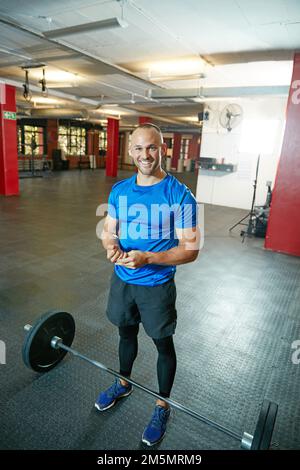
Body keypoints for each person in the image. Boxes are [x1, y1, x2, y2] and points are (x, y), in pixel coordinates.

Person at [95, 123, 200, 446]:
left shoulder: (180, 196)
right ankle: (123, 382)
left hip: (156, 286)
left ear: (163, 148)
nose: (145, 155)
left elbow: (191, 250)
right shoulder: (120, 190)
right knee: (125, 333)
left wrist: (148, 259)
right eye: (139, 148)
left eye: (152, 147)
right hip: (123, 281)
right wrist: (110, 246)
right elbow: (109, 229)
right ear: (130, 151)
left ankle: (162, 404)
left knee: (162, 344)